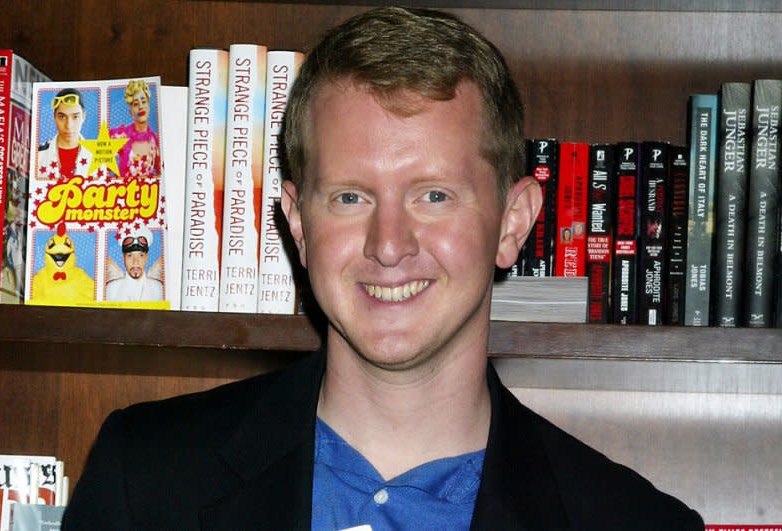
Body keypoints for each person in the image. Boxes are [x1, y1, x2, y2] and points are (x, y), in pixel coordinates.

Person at [63, 7, 704, 530]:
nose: (389, 245)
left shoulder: (637, 523)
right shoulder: (143, 481)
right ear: (298, 222)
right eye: (350, 197)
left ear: (513, 222)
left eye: (433, 195)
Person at [37, 88, 92, 181]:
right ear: (54, 117)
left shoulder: (96, 156)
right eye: (62, 117)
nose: (69, 126)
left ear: (84, 117)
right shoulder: (38, 154)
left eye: (75, 117)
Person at [110, 79, 162, 179]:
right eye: (135, 104)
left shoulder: (156, 140)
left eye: (143, 102)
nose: (141, 107)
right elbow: (101, 169)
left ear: (149, 107)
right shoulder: (119, 136)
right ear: (131, 112)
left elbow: (161, 175)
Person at [105, 228, 164, 302]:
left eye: (141, 255)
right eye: (130, 256)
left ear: (146, 257)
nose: (135, 262)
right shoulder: (112, 288)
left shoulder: (158, 288)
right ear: (124, 258)